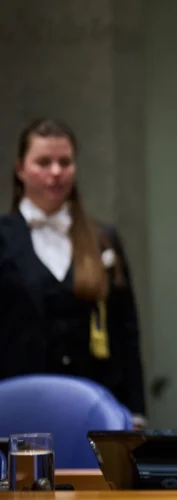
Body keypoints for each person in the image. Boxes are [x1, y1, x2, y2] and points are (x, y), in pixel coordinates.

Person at [0, 118, 147, 426]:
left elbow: (125, 331)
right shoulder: (3, 237)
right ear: (20, 169)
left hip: (93, 409)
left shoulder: (102, 238)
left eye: (64, 162)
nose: (56, 172)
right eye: (43, 162)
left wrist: (136, 413)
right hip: (18, 408)